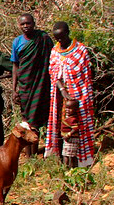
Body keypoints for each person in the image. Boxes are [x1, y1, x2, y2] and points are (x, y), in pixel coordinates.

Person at [45, 21, 96, 167]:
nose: (59, 41)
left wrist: (73, 93)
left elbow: (85, 77)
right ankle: (60, 156)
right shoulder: (55, 51)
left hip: (78, 95)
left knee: (76, 126)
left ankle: (79, 159)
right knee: (60, 123)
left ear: (68, 33)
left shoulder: (80, 50)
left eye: (62, 37)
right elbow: (54, 75)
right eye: (57, 38)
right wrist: (63, 90)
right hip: (60, 96)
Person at [10, 14, 53, 155]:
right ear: (19, 25)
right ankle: (30, 155)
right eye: (22, 24)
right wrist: (14, 89)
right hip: (25, 86)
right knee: (27, 121)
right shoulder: (17, 42)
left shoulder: (44, 39)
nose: (25, 26)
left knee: (41, 120)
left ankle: (46, 151)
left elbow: (53, 58)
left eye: (28, 23)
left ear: (34, 23)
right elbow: (15, 66)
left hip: (41, 85)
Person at [60, 98, 82, 168]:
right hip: (67, 140)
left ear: (75, 109)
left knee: (70, 156)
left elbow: (75, 128)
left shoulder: (73, 119)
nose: (67, 110)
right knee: (66, 154)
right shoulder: (68, 117)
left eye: (70, 109)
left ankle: (69, 169)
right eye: (66, 108)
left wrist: (69, 134)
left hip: (72, 140)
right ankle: (67, 169)